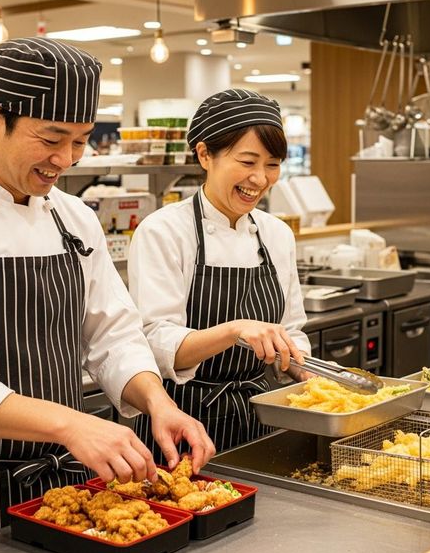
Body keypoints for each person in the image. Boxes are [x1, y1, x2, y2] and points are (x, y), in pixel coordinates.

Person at [0, 37, 214, 553]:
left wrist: (158, 402)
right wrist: (71, 424)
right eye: (51, 138)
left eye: (80, 141)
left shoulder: (73, 218)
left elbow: (113, 335)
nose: (66, 160)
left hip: (65, 488)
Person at [128, 89, 312, 462]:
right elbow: (158, 343)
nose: (260, 178)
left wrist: (311, 374)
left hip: (258, 419)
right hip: (180, 424)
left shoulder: (276, 234)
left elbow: (291, 332)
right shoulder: (163, 230)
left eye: (272, 164)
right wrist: (234, 331)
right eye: (247, 161)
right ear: (204, 155)